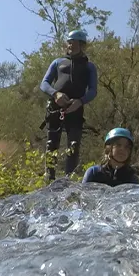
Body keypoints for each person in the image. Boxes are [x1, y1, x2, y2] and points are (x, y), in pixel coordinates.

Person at [39, 29, 98, 182]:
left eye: (73, 42)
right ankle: (49, 179)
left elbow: (93, 90)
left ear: (81, 44)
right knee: (51, 143)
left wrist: (80, 101)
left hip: (76, 108)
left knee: (73, 146)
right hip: (55, 106)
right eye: (69, 42)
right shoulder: (58, 62)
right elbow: (44, 84)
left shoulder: (89, 67)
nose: (70, 45)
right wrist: (55, 94)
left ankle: (68, 180)